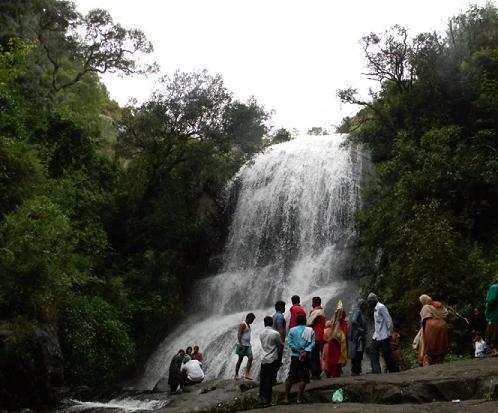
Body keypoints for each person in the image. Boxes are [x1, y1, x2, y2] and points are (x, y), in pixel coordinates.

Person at [284, 314, 314, 404]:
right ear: (305, 321)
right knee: (304, 378)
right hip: (305, 357)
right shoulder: (310, 330)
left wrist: (298, 350)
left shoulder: (292, 330)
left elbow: (290, 343)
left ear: (296, 321)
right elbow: (313, 343)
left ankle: (286, 398)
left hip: (295, 356)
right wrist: (305, 351)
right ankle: (299, 398)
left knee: (291, 377)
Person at [367, 293, 398, 373]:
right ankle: (376, 371)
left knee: (387, 354)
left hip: (384, 336)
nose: (369, 304)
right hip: (377, 336)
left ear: (374, 300)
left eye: (370, 302)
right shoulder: (375, 309)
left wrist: (391, 333)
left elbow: (388, 320)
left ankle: (393, 371)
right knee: (372, 351)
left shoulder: (381, 307)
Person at [259, 316, 283, 406]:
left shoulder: (261, 333)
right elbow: (280, 346)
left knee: (263, 379)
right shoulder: (275, 333)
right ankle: (267, 401)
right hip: (272, 359)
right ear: (272, 323)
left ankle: (261, 399)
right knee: (270, 380)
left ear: (264, 323)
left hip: (263, 359)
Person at [419, 294, 449, 366]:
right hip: (442, 325)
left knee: (424, 345)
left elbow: (424, 321)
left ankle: (425, 359)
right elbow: (445, 313)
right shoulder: (437, 305)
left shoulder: (425, 308)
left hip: (430, 326)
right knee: (440, 346)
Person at [321, 300, 348, 378]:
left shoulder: (336, 324)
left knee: (333, 359)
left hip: (332, 344)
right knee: (335, 359)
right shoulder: (339, 325)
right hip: (333, 344)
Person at [307, 296, 326, 379]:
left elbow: (308, 323)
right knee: (316, 355)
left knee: (313, 356)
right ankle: (317, 373)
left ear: (314, 303)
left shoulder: (317, 312)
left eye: (312, 302)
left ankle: (314, 373)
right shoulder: (321, 311)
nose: (311, 304)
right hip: (320, 336)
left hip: (315, 337)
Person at [235, 312, 256, 380]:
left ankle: (247, 374)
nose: (252, 321)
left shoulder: (248, 325)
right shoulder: (243, 324)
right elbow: (239, 334)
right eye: (252, 320)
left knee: (250, 358)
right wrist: (240, 344)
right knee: (240, 360)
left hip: (248, 345)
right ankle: (236, 374)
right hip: (242, 345)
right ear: (248, 318)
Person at [349, 299, 367, 375]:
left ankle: (357, 369)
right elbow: (353, 321)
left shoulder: (360, 312)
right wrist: (361, 329)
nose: (365, 306)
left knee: (358, 352)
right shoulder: (358, 311)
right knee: (357, 352)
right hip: (358, 336)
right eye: (363, 304)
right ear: (361, 305)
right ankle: (355, 370)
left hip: (359, 336)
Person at [485, 281, 498, 357]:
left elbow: (490, 301)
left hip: (494, 316)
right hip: (494, 315)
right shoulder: (495, 287)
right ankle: (494, 349)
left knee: (494, 331)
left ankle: (495, 349)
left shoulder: (494, 287)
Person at [273, 300, 286, 365]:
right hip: (278, 341)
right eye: (284, 307)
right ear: (281, 307)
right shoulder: (280, 316)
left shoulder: (275, 315)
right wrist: (282, 342)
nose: (285, 308)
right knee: (278, 361)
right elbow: (280, 329)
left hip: (274, 340)